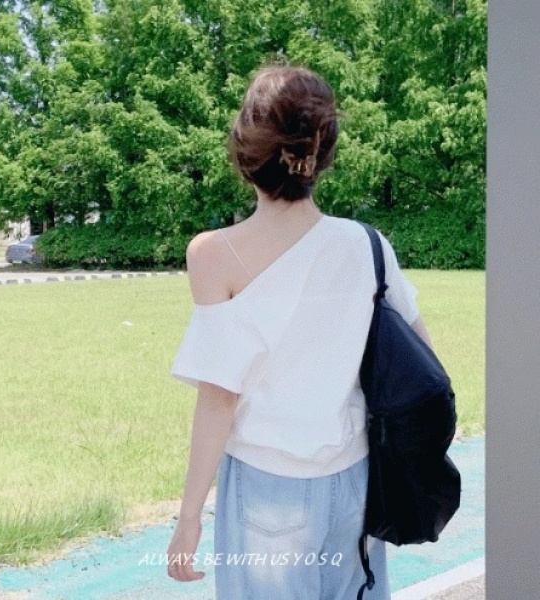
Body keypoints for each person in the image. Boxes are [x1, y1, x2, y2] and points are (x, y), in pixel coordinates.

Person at [167, 65, 433, 600]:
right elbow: (423, 360)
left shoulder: (214, 254)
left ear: (246, 150)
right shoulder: (368, 245)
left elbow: (219, 398)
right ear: (322, 150)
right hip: (356, 480)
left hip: (266, 488)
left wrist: (189, 517)